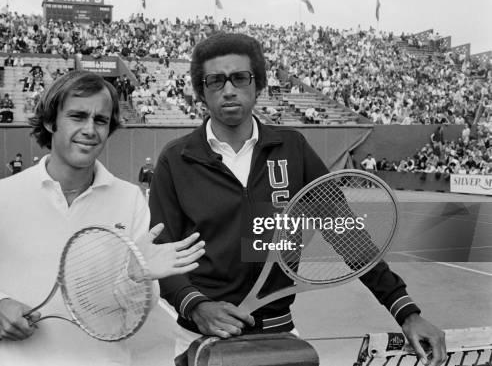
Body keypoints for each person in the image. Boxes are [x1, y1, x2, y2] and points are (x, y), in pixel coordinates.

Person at [148, 33, 446, 366]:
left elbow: (346, 234)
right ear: (201, 91)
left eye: (240, 78)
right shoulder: (176, 159)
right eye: (215, 81)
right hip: (198, 338)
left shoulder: (293, 149)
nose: (229, 90)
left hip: (280, 337)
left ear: (257, 84)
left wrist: (405, 311)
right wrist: (195, 306)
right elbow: (162, 254)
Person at [0, 71, 205, 366]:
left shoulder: (130, 199)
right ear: (51, 122)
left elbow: (136, 307)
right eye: (77, 116)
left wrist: (138, 277)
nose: (90, 129)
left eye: (101, 120)